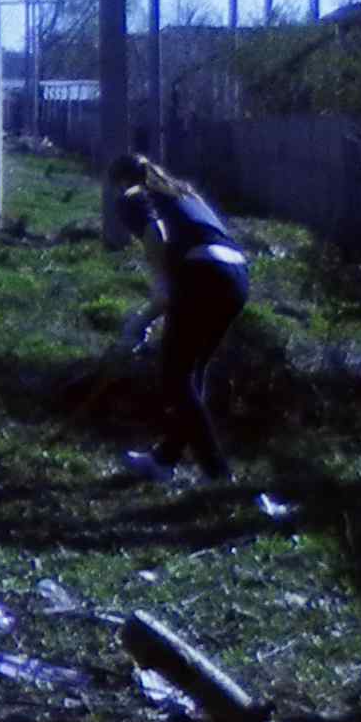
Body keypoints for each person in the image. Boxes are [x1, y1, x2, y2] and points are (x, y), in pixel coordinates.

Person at [105, 152, 253, 483]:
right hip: (236, 275)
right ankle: (164, 459)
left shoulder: (132, 197)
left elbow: (156, 237)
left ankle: (218, 476)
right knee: (191, 372)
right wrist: (160, 305)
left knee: (176, 377)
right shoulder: (183, 193)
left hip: (204, 272)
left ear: (118, 182)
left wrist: (142, 319)